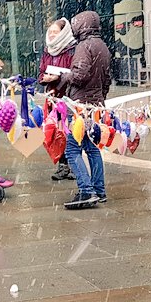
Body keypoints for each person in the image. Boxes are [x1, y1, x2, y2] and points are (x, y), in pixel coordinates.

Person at [55, 11, 111, 209]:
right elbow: (107, 78)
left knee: (72, 150)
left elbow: (79, 76)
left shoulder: (83, 46)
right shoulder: (102, 46)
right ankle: (99, 190)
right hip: (96, 104)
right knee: (93, 148)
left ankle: (86, 191)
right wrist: (100, 97)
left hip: (80, 105)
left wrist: (62, 77)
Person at [38, 18, 76, 180]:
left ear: (64, 33)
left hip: (68, 96)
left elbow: (75, 73)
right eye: (50, 32)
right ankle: (62, 165)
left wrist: (59, 77)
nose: (52, 35)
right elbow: (40, 72)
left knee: (70, 132)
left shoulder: (71, 49)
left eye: (56, 32)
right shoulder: (48, 50)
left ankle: (74, 166)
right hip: (52, 96)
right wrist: (44, 78)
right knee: (56, 132)